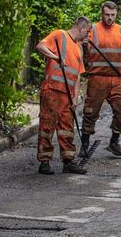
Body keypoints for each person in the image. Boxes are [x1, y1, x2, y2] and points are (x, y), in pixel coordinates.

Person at [35, 17, 90, 175]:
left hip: (67, 94)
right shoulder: (59, 35)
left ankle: (68, 161)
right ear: (80, 28)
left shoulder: (79, 48)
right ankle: (44, 161)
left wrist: (75, 97)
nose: (88, 35)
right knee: (47, 125)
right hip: (52, 89)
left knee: (66, 128)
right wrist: (55, 57)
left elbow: (78, 75)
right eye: (87, 31)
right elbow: (40, 46)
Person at [81, 1, 121, 157]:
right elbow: (81, 49)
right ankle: (85, 143)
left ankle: (114, 142)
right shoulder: (93, 30)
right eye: (107, 15)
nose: (110, 18)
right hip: (97, 78)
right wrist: (83, 45)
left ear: (116, 14)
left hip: (117, 78)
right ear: (101, 14)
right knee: (90, 112)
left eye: (112, 15)